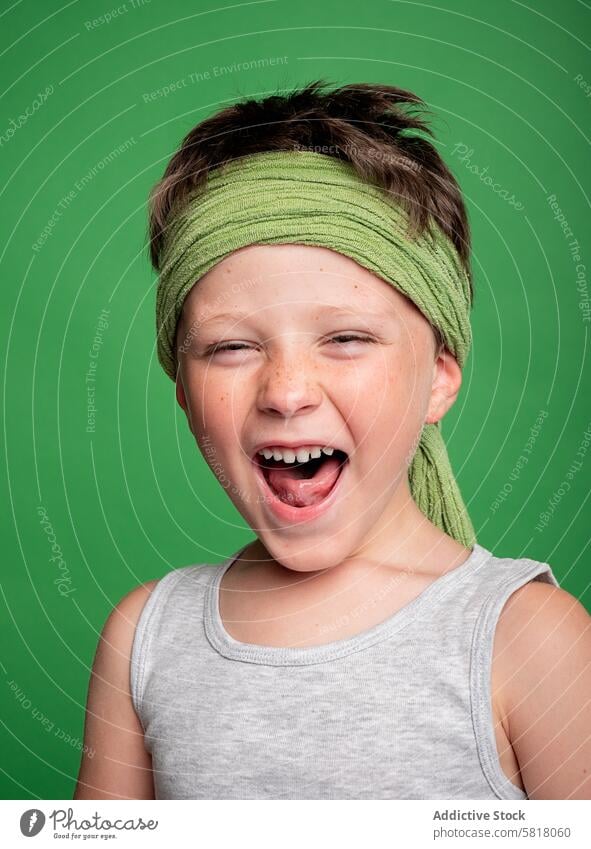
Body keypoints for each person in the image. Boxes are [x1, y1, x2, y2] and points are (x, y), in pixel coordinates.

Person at [74, 80, 591, 800]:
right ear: (184, 389)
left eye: (345, 338)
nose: (286, 392)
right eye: (228, 347)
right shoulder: (145, 639)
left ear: (439, 377)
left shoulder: (530, 639)